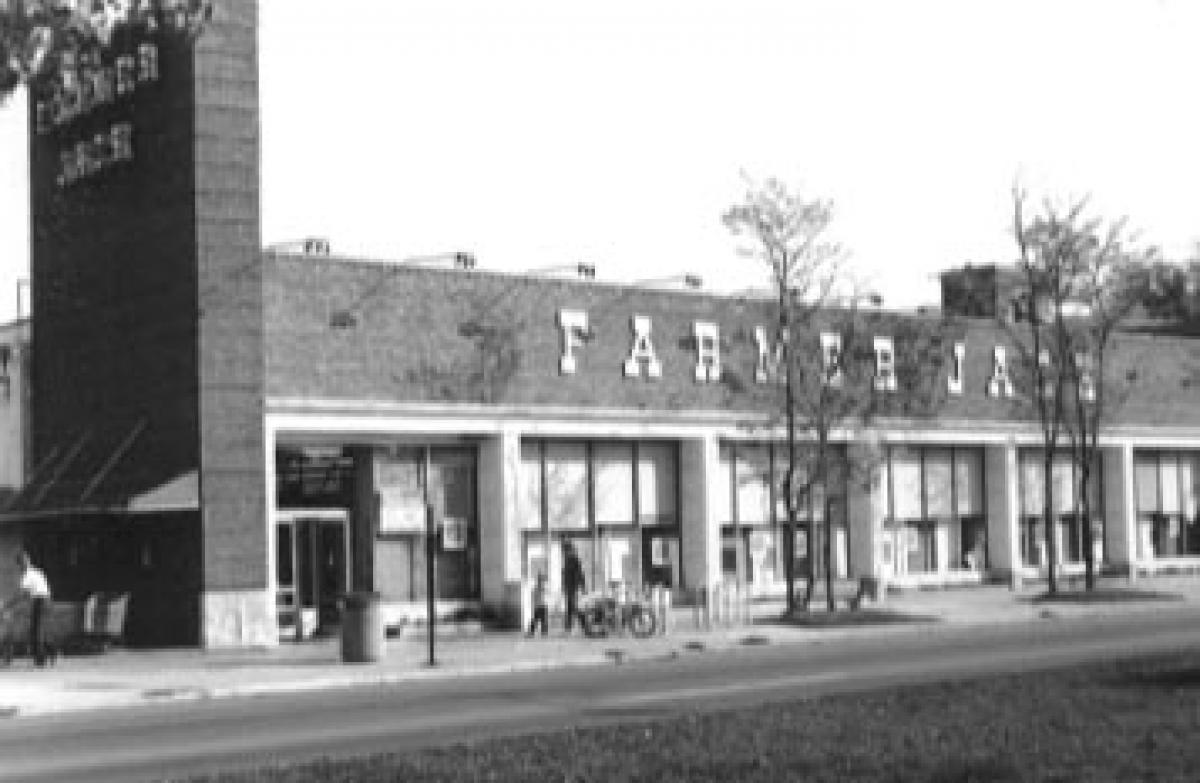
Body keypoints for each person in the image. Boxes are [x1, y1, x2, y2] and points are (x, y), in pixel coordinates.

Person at [3, 551, 52, 666]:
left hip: (40, 600)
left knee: (36, 630)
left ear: (22, 564)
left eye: (21, 563)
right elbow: (28, 593)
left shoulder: (27, 575)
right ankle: (49, 651)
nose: (21, 566)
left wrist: (9, 604)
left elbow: (23, 594)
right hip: (46, 600)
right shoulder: (37, 572)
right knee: (39, 629)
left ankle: (40, 659)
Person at [561, 541, 585, 634]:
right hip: (569, 588)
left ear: (570, 550)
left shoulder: (574, 560)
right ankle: (569, 628)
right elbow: (565, 576)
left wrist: (582, 587)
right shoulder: (567, 560)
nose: (564, 553)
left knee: (574, 607)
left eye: (565, 551)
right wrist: (564, 586)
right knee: (571, 608)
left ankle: (584, 625)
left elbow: (580, 574)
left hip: (573, 588)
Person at [527, 573, 548, 637]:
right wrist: (534, 606)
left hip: (542, 606)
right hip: (538, 606)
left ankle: (543, 632)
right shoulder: (536, 589)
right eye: (540, 580)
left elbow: (545, 597)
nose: (541, 582)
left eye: (541, 580)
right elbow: (533, 598)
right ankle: (532, 632)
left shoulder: (543, 589)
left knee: (543, 620)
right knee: (535, 620)